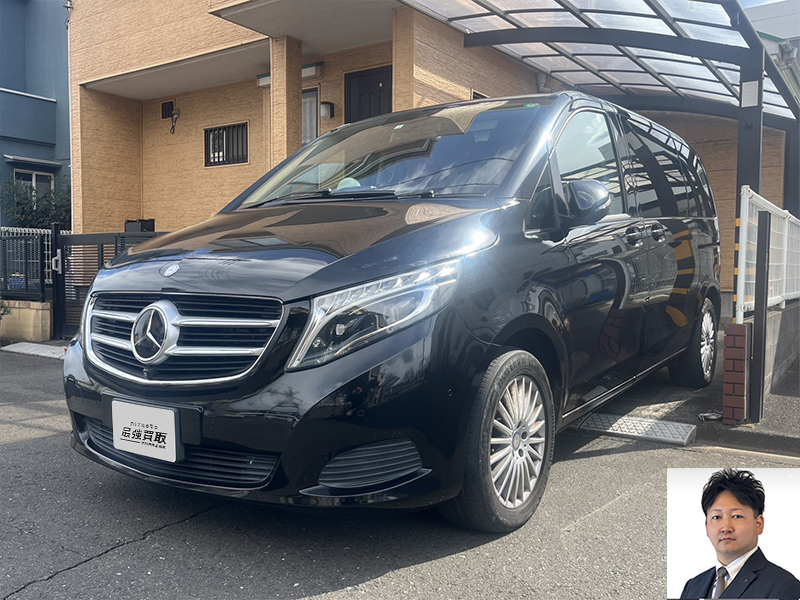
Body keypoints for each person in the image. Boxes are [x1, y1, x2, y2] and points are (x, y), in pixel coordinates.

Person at [681, 469, 800, 599]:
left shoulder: (784, 586)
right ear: (706, 526)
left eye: (737, 516)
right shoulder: (693, 586)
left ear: (758, 524)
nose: (726, 527)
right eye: (716, 517)